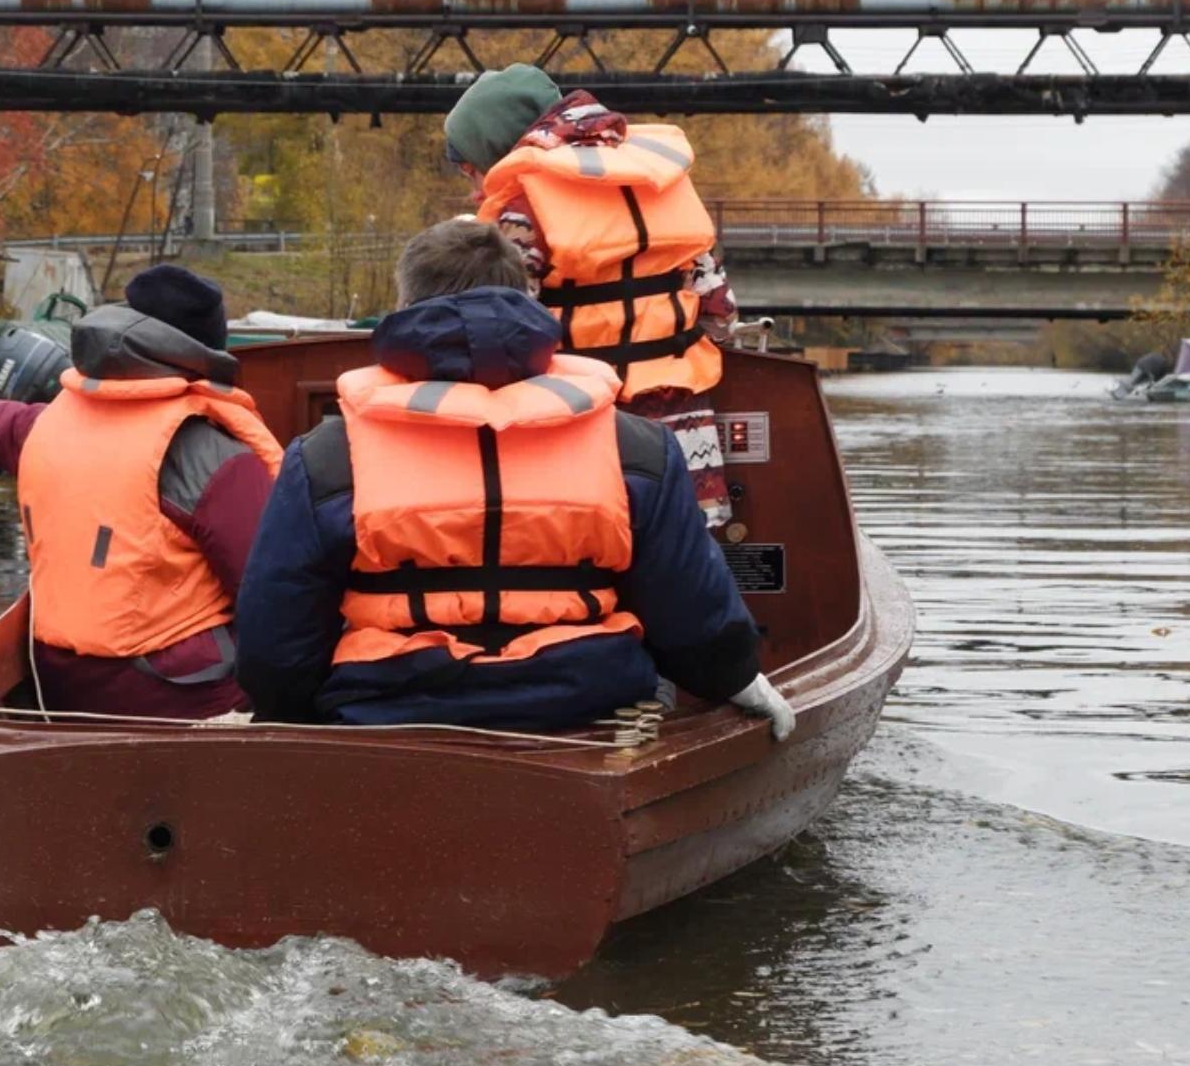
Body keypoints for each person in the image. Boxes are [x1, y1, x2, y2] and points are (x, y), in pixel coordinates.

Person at [235, 218, 792, 738]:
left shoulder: (327, 457)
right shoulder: (637, 448)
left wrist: (295, 722)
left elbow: (277, 637)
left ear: (404, 305)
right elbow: (687, 606)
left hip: (388, 714)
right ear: (527, 298)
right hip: (586, 708)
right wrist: (738, 678)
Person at [0, 265, 282, 719]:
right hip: (176, 695)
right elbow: (268, 594)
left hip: (57, 680)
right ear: (208, 350)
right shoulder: (213, 454)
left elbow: (5, 424)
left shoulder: (53, 422)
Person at [443, 63, 742, 526]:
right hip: (684, 447)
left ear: (495, 148)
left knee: (582, 570)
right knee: (680, 569)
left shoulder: (522, 209)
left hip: (577, 436)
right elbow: (721, 315)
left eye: (471, 171)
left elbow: (500, 332)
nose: (474, 190)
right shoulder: (661, 180)